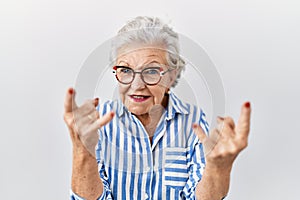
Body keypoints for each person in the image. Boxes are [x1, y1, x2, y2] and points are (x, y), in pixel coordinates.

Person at [63, 16, 251, 200]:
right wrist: (82, 150)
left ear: (171, 76)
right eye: (126, 70)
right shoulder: (96, 122)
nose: (137, 85)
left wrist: (218, 168)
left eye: (152, 71)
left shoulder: (193, 121)